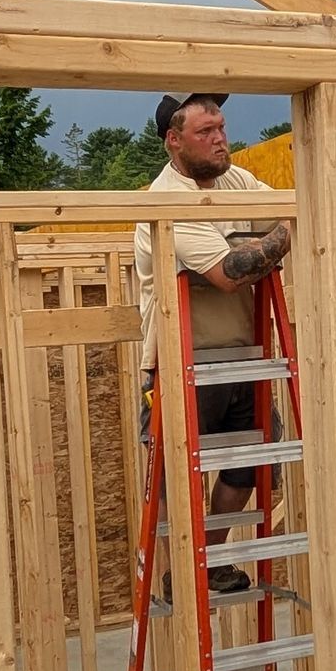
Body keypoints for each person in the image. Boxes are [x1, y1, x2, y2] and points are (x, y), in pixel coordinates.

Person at [134, 91, 292, 594]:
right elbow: (229, 272)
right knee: (174, 474)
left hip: (244, 357)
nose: (220, 139)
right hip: (185, 360)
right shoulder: (166, 200)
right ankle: (180, 565)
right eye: (206, 132)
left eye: (221, 127)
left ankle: (210, 558)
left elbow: (283, 214)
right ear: (173, 141)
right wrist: (272, 241)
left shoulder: (235, 179)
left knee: (247, 469)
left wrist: (273, 236)